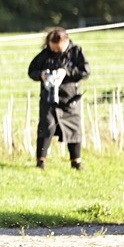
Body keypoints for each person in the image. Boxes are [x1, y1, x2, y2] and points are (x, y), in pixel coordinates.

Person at [27, 27, 90, 170]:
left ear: (66, 41)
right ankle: (40, 162)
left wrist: (66, 72)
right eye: (53, 48)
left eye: (58, 49)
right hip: (49, 99)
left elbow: (85, 71)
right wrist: (42, 75)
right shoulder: (44, 55)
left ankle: (76, 162)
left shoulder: (76, 52)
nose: (55, 51)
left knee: (74, 129)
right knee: (46, 127)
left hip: (70, 99)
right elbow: (31, 71)